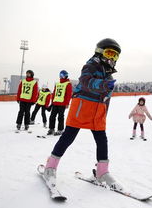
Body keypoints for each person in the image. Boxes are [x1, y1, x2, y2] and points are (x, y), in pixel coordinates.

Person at [42, 38, 123, 190]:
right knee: (68, 136)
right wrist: (103, 85)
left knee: (102, 140)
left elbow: (107, 99)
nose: (112, 58)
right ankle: (50, 167)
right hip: (82, 107)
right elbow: (85, 81)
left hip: (98, 111)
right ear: (99, 52)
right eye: (109, 53)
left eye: (115, 56)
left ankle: (102, 172)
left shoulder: (110, 77)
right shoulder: (91, 66)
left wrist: (104, 114)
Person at [47, 70, 72, 135]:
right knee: (52, 116)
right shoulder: (57, 84)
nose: (61, 77)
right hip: (55, 102)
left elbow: (68, 94)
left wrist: (67, 103)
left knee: (60, 117)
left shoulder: (68, 84)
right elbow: (54, 93)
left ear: (66, 76)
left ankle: (60, 129)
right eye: (60, 75)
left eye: (62, 75)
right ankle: (51, 129)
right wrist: (52, 101)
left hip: (62, 103)